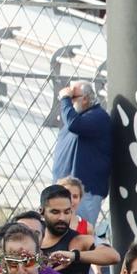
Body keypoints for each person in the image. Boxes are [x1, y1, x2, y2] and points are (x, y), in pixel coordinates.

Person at [52, 81, 112, 230]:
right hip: (63, 188)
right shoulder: (77, 117)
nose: (69, 102)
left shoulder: (98, 117)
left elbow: (74, 125)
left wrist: (65, 99)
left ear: (85, 99)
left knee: (80, 233)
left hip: (85, 192)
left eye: (73, 97)